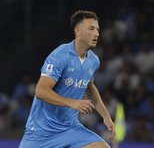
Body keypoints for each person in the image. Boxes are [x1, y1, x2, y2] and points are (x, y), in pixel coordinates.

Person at [19, 10, 115, 148]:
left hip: (70, 128)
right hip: (41, 132)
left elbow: (89, 87)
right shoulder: (60, 55)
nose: (97, 34)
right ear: (78, 31)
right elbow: (40, 91)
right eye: (91, 29)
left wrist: (105, 116)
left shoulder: (94, 61)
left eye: (98, 29)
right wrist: (73, 103)